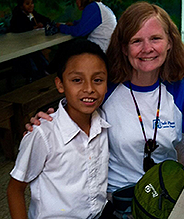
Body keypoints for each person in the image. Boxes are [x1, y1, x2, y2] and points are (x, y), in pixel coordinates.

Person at [25, 1, 184, 213]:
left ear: (169, 42)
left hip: (162, 196)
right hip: (112, 202)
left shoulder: (181, 90)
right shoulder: (105, 87)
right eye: (136, 41)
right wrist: (48, 121)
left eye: (155, 38)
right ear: (123, 48)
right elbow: (71, 110)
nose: (147, 49)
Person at [7, 38, 113, 219]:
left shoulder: (103, 122)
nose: (89, 88)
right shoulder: (43, 133)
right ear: (60, 84)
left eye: (98, 79)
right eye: (77, 80)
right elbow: (15, 190)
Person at [10, 0, 51, 83]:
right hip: (21, 48)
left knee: (42, 62)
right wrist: (32, 27)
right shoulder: (17, 17)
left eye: (32, 3)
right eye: (27, 4)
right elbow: (18, 29)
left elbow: (46, 20)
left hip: (32, 45)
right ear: (21, 6)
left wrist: (41, 24)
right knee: (33, 66)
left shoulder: (33, 14)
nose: (31, 6)